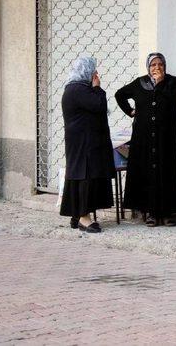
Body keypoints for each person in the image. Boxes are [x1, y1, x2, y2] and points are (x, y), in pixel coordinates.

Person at [115, 52, 176, 227]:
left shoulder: (173, 83)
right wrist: (130, 112)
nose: (157, 68)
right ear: (148, 67)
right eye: (153, 65)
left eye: (160, 64)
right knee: (147, 173)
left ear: (165, 66)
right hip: (143, 138)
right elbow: (119, 95)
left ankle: (167, 213)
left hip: (165, 137)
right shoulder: (140, 83)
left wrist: (160, 85)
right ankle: (151, 213)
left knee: (165, 172)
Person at [60, 56, 115, 233]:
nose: (96, 74)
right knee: (85, 177)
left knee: (79, 176)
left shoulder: (74, 88)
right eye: (93, 71)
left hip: (82, 142)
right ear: (87, 71)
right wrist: (98, 88)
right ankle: (84, 218)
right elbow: (99, 105)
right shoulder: (78, 89)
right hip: (84, 144)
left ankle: (76, 215)